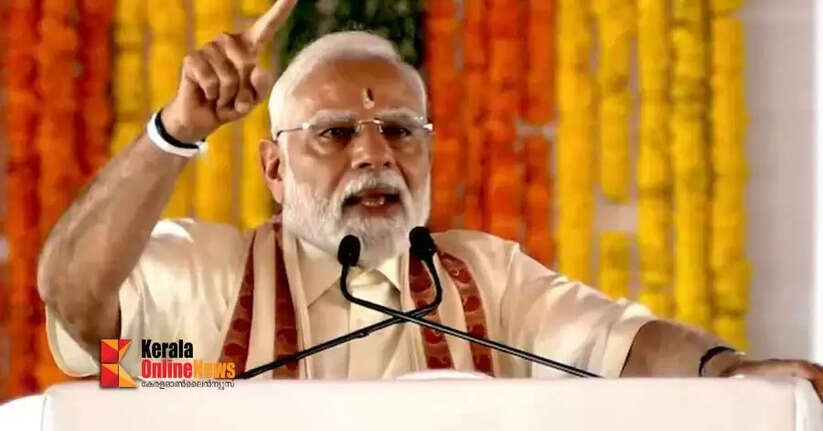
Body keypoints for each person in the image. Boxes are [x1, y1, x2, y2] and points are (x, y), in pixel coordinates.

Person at [37, 0, 823, 394]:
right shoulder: (206, 271)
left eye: (400, 131)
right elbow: (73, 299)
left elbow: (626, 344)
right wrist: (175, 131)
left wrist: (730, 371)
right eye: (334, 133)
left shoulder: (485, 279)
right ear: (274, 168)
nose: (375, 154)